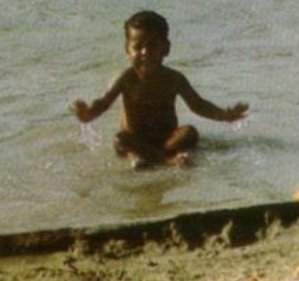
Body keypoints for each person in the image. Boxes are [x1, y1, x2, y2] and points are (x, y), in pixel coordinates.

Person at [71, 11, 249, 169]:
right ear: (127, 50)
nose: (145, 52)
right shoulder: (125, 78)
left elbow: (198, 105)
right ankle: (164, 160)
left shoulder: (174, 79)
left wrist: (225, 115)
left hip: (167, 139)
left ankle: (153, 158)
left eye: (152, 46)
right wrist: (88, 113)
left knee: (189, 133)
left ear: (166, 48)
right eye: (138, 47)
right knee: (120, 140)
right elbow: (104, 102)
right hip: (136, 140)